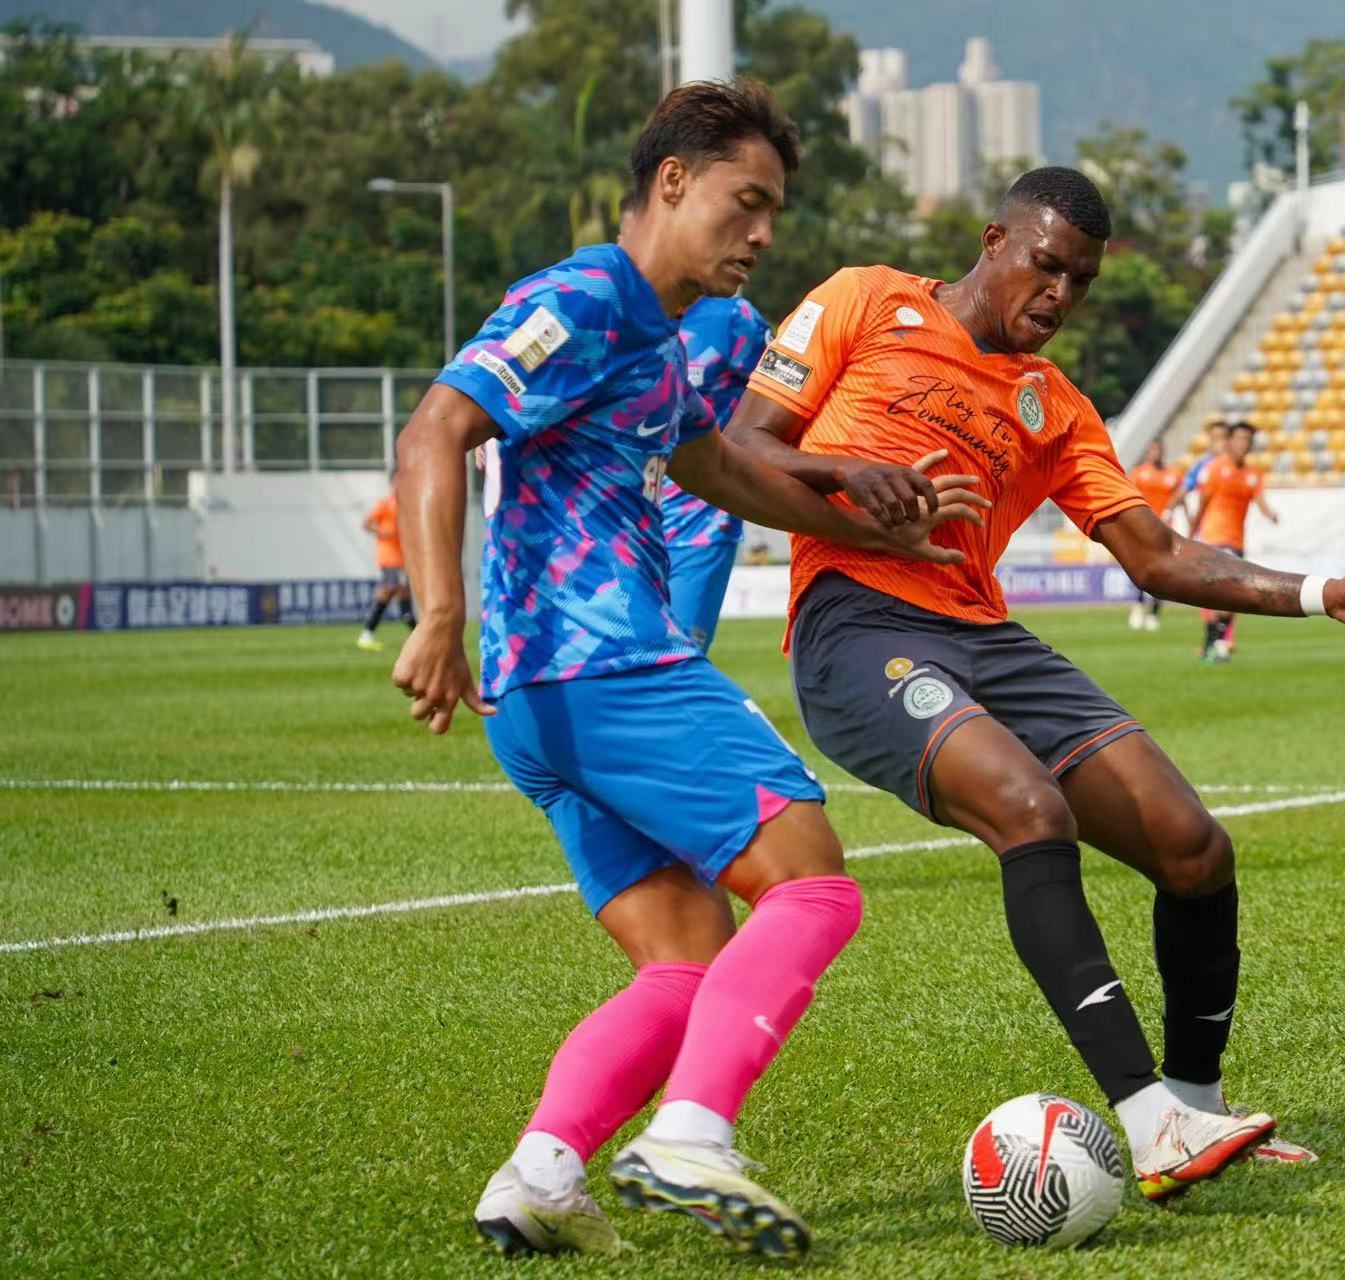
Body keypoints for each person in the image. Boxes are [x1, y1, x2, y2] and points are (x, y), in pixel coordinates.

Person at [728, 166, 1345, 1200]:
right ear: (994, 241)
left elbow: (1157, 555)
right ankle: (1150, 1122)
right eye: (1047, 265)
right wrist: (849, 476)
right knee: (1029, 806)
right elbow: (742, 444)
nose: (1060, 294)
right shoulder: (865, 299)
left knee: (1194, 847)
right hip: (858, 625)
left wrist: (1323, 591)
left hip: (983, 633)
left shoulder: (1054, 405)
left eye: (1082, 280)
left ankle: (1196, 1105)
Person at [389, 78, 985, 1261]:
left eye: (773, 213)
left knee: (688, 954)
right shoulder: (582, 298)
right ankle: (691, 1134)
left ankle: (540, 1172)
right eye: (744, 202)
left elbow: (719, 468)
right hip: (607, 664)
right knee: (812, 880)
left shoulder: (658, 343)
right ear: (672, 180)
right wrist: (438, 612)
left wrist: (874, 525)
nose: (761, 233)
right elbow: (434, 430)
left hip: (542, 704)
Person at [660, 292, 773, 651]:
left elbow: (785, 398)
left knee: (678, 658)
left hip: (701, 521)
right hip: (622, 520)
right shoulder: (620, 307)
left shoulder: (733, 318)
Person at [1189, 422, 1278, 662]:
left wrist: (1271, 515)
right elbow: (1202, 504)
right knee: (1225, 593)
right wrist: (1191, 532)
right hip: (1214, 538)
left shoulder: (1252, 475)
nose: (1244, 444)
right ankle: (1218, 644)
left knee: (1225, 596)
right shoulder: (1215, 469)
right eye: (1240, 439)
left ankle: (1210, 644)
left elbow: (1261, 502)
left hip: (1236, 541)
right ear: (1230, 442)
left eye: (1248, 440)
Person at [1126, 438, 1182, 630]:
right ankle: (1138, 605)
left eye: (1158, 450)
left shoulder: (1172, 474)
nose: (1155, 453)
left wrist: (1178, 513)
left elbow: (1180, 495)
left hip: (1164, 528)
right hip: (1143, 527)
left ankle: (1153, 613)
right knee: (1142, 568)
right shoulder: (1139, 473)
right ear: (1148, 452)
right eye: (1152, 450)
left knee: (1162, 571)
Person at [357, 471, 415, 650]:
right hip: (390, 558)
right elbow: (367, 523)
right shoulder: (386, 504)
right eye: (398, 481)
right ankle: (415, 633)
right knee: (401, 591)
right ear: (392, 483)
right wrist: (383, 532)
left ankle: (367, 633)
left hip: (401, 558)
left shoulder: (407, 505)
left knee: (388, 593)